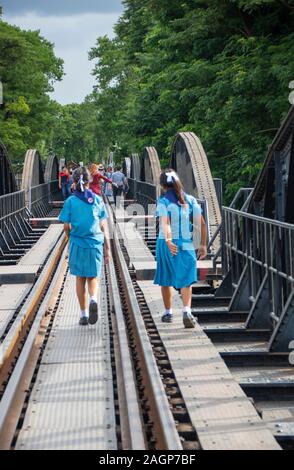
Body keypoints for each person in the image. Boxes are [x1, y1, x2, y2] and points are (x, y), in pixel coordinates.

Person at [154, 169, 207, 328]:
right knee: (186, 280)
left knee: (166, 279)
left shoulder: (163, 202)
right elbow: (201, 224)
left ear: (163, 186)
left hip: (165, 243)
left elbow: (166, 223)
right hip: (186, 243)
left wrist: (169, 241)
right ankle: (186, 311)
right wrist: (203, 244)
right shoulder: (190, 200)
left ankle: (168, 313)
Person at [59, 167, 110, 326]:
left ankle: (83, 315)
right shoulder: (97, 200)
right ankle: (93, 299)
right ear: (89, 181)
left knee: (80, 278)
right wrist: (107, 248)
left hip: (77, 242)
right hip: (94, 242)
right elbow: (103, 226)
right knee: (92, 276)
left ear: (73, 182)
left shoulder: (70, 201)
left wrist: (69, 238)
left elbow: (66, 226)